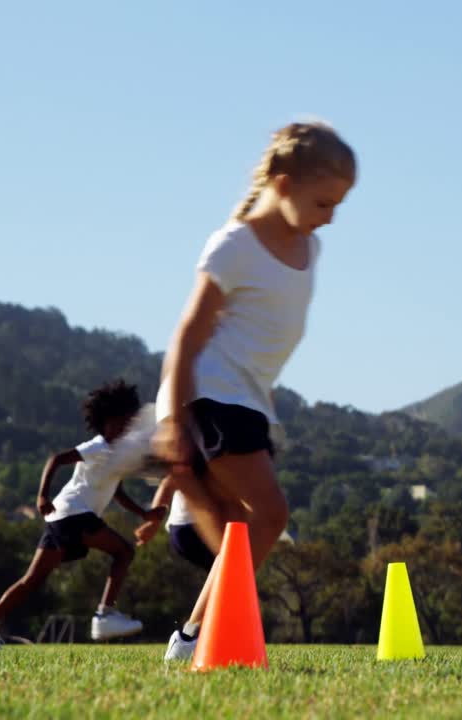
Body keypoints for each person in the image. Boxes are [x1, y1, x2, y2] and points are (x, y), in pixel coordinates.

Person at [151, 121, 356, 661]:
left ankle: (195, 635)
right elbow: (187, 336)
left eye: (338, 205)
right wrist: (173, 423)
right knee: (271, 514)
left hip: (246, 404)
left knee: (245, 528)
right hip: (210, 396)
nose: (330, 217)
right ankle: (197, 633)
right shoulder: (234, 245)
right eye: (322, 203)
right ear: (284, 186)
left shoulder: (309, 248)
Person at [0, 380, 164, 650]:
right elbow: (55, 459)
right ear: (108, 422)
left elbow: (117, 492)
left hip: (62, 518)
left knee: (31, 580)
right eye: (123, 422)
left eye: (130, 423)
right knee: (124, 552)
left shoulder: (115, 455)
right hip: (74, 515)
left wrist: (144, 513)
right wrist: (42, 495)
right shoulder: (98, 446)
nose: (128, 428)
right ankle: (104, 614)